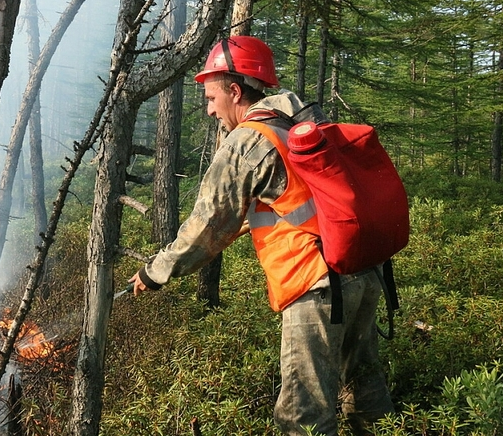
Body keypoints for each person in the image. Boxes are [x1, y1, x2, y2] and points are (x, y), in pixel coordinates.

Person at [128, 35, 394, 436]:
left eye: (211, 97)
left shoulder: (247, 140)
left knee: (303, 415)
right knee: (365, 390)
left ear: (235, 92)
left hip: (317, 286)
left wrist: (155, 272)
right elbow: (294, 202)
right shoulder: (297, 122)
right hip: (363, 270)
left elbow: (205, 226)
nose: (209, 109)